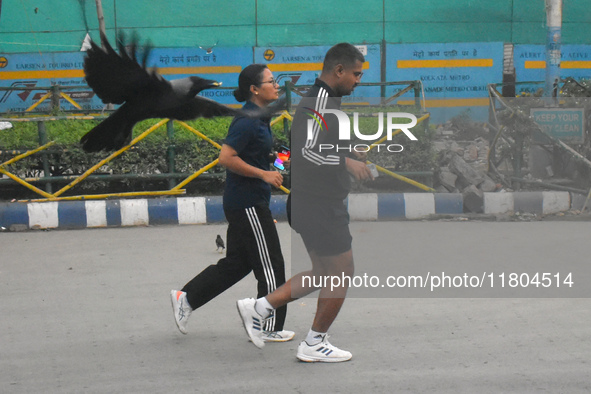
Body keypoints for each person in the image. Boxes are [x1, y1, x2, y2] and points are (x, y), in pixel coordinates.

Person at [237, 43, 373, 362]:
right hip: (319, 204)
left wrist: (350, 150)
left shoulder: (327, 99)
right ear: (338, 70)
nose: (358, 80)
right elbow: (306, 153)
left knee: (325, 272)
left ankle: (259, 307)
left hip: (313, 203)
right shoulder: (319, 100)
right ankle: (314, 342)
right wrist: (346, 162)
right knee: (341, 272)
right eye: (355, 74)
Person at [170, 64, 294, 342]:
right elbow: (226, 158)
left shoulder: (259, 119)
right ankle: (269, 326)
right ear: (254, 89)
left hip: (248, 202)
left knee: (237, 264)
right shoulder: (247, 119)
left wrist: (278, 161)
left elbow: (257, 158)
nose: (276, 85)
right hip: (248, 205)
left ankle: (186, 298)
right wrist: (264, 173)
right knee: (272, 265)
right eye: (271, 81)